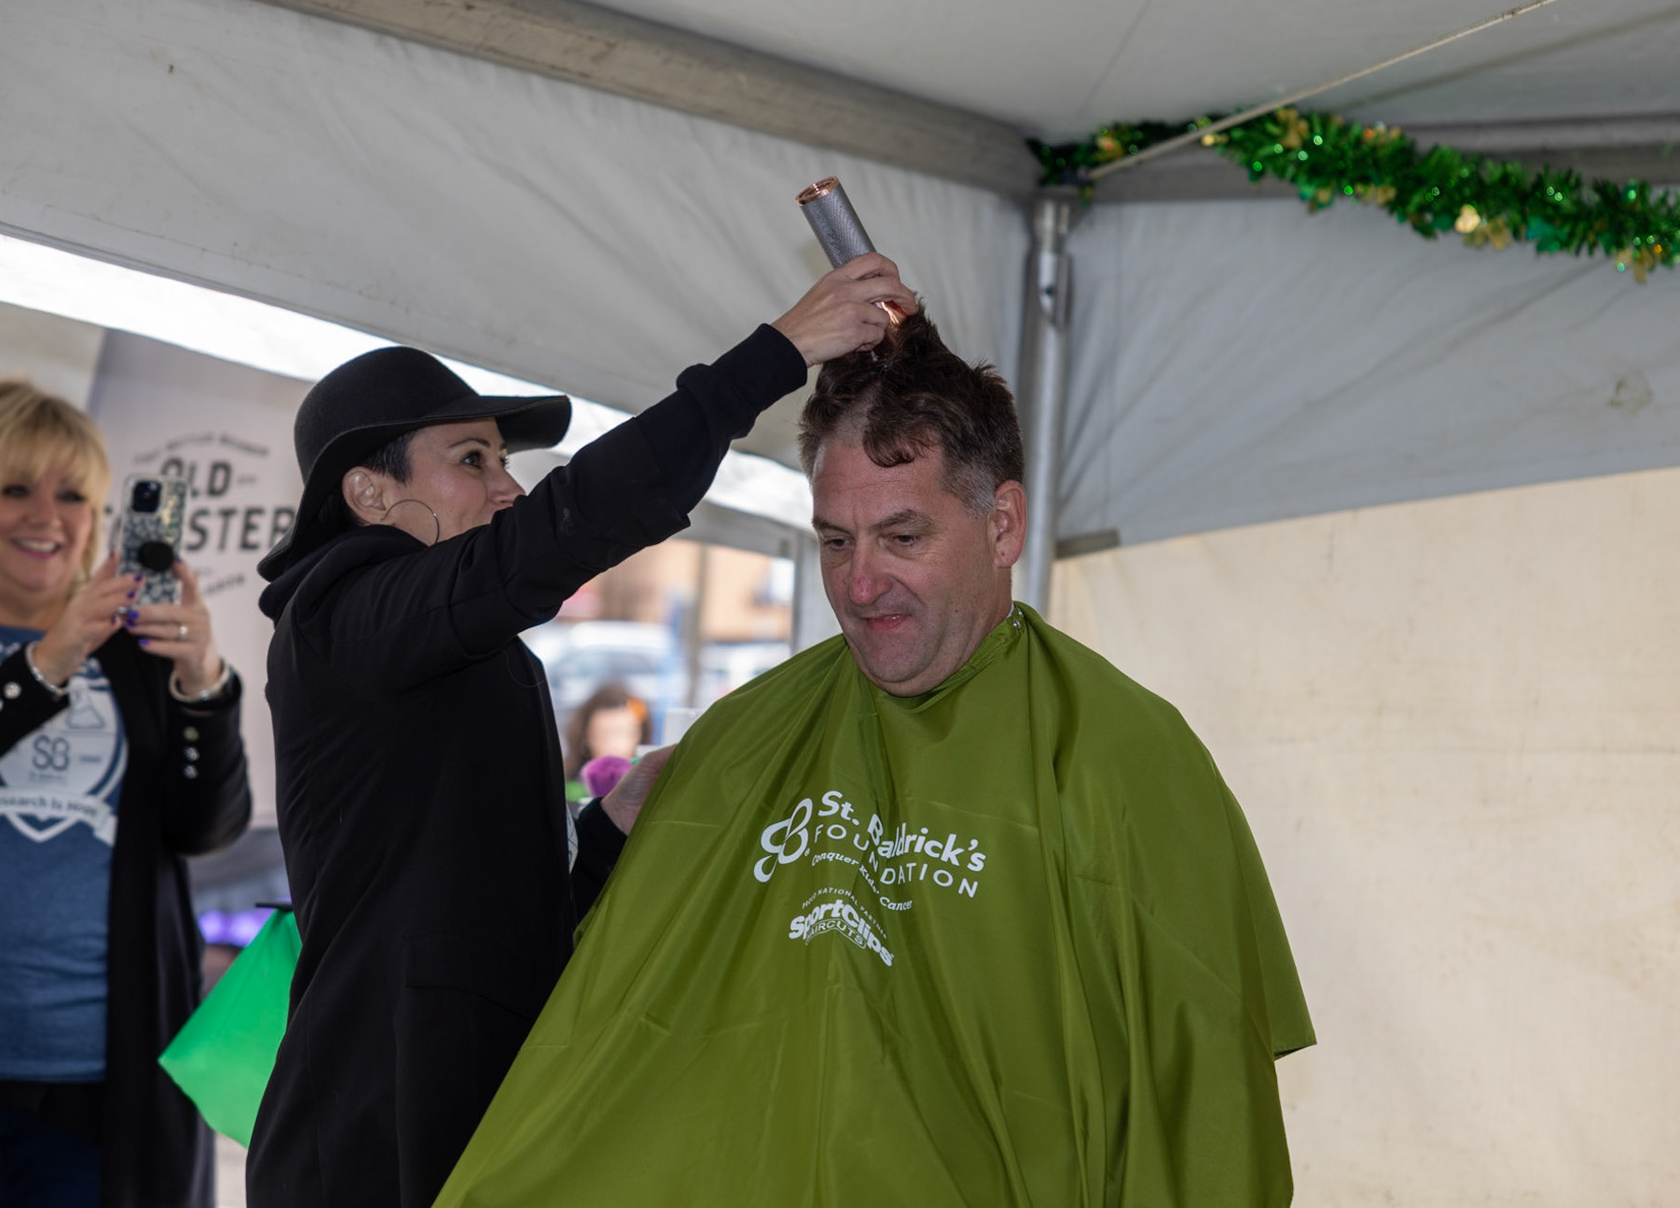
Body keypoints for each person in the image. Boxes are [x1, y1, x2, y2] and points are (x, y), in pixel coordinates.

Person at [435, 312, 1316, 1207]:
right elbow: (603, 1034)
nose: (859, 585)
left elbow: (1205, 1116)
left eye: (902, 537)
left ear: (1003, 525)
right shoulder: (744, 741)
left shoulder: (1122, 759)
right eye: (835, 540)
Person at [246, 255, 916, 1208]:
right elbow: (565, 527)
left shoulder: (457, 649)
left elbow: (489, 915)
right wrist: (772, 357)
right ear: (368, 492)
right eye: (472, 460)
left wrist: (608, 828)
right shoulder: (337, 613)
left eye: (504, 461)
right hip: (370, 1133)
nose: (510, 487)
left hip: (466, 1114)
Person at [0, 380, 252, 1206]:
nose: (47, 516)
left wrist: (203, 682)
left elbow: (206, 827)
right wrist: (46, 662)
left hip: (107, 1087)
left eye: (73, 494)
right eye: (16, 488)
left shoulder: (140, 653)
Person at [562, 682, 651, 803]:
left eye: (625, 733)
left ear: (641, 734)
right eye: (605, 734)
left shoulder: (652, 788)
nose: (616, 745)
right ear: (585, 739)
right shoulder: (567, 792)